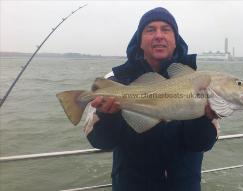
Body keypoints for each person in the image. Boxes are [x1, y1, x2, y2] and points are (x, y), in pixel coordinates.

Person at [84, 7, 219, 191]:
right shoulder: (114, 81)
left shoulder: (198, 82)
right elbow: (100, 142)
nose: (158, 35)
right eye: (150, 30)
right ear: (139, 41)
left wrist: (204, 118)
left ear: (175, 40)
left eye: (166, 29)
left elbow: (202, 144)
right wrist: (108, 117)